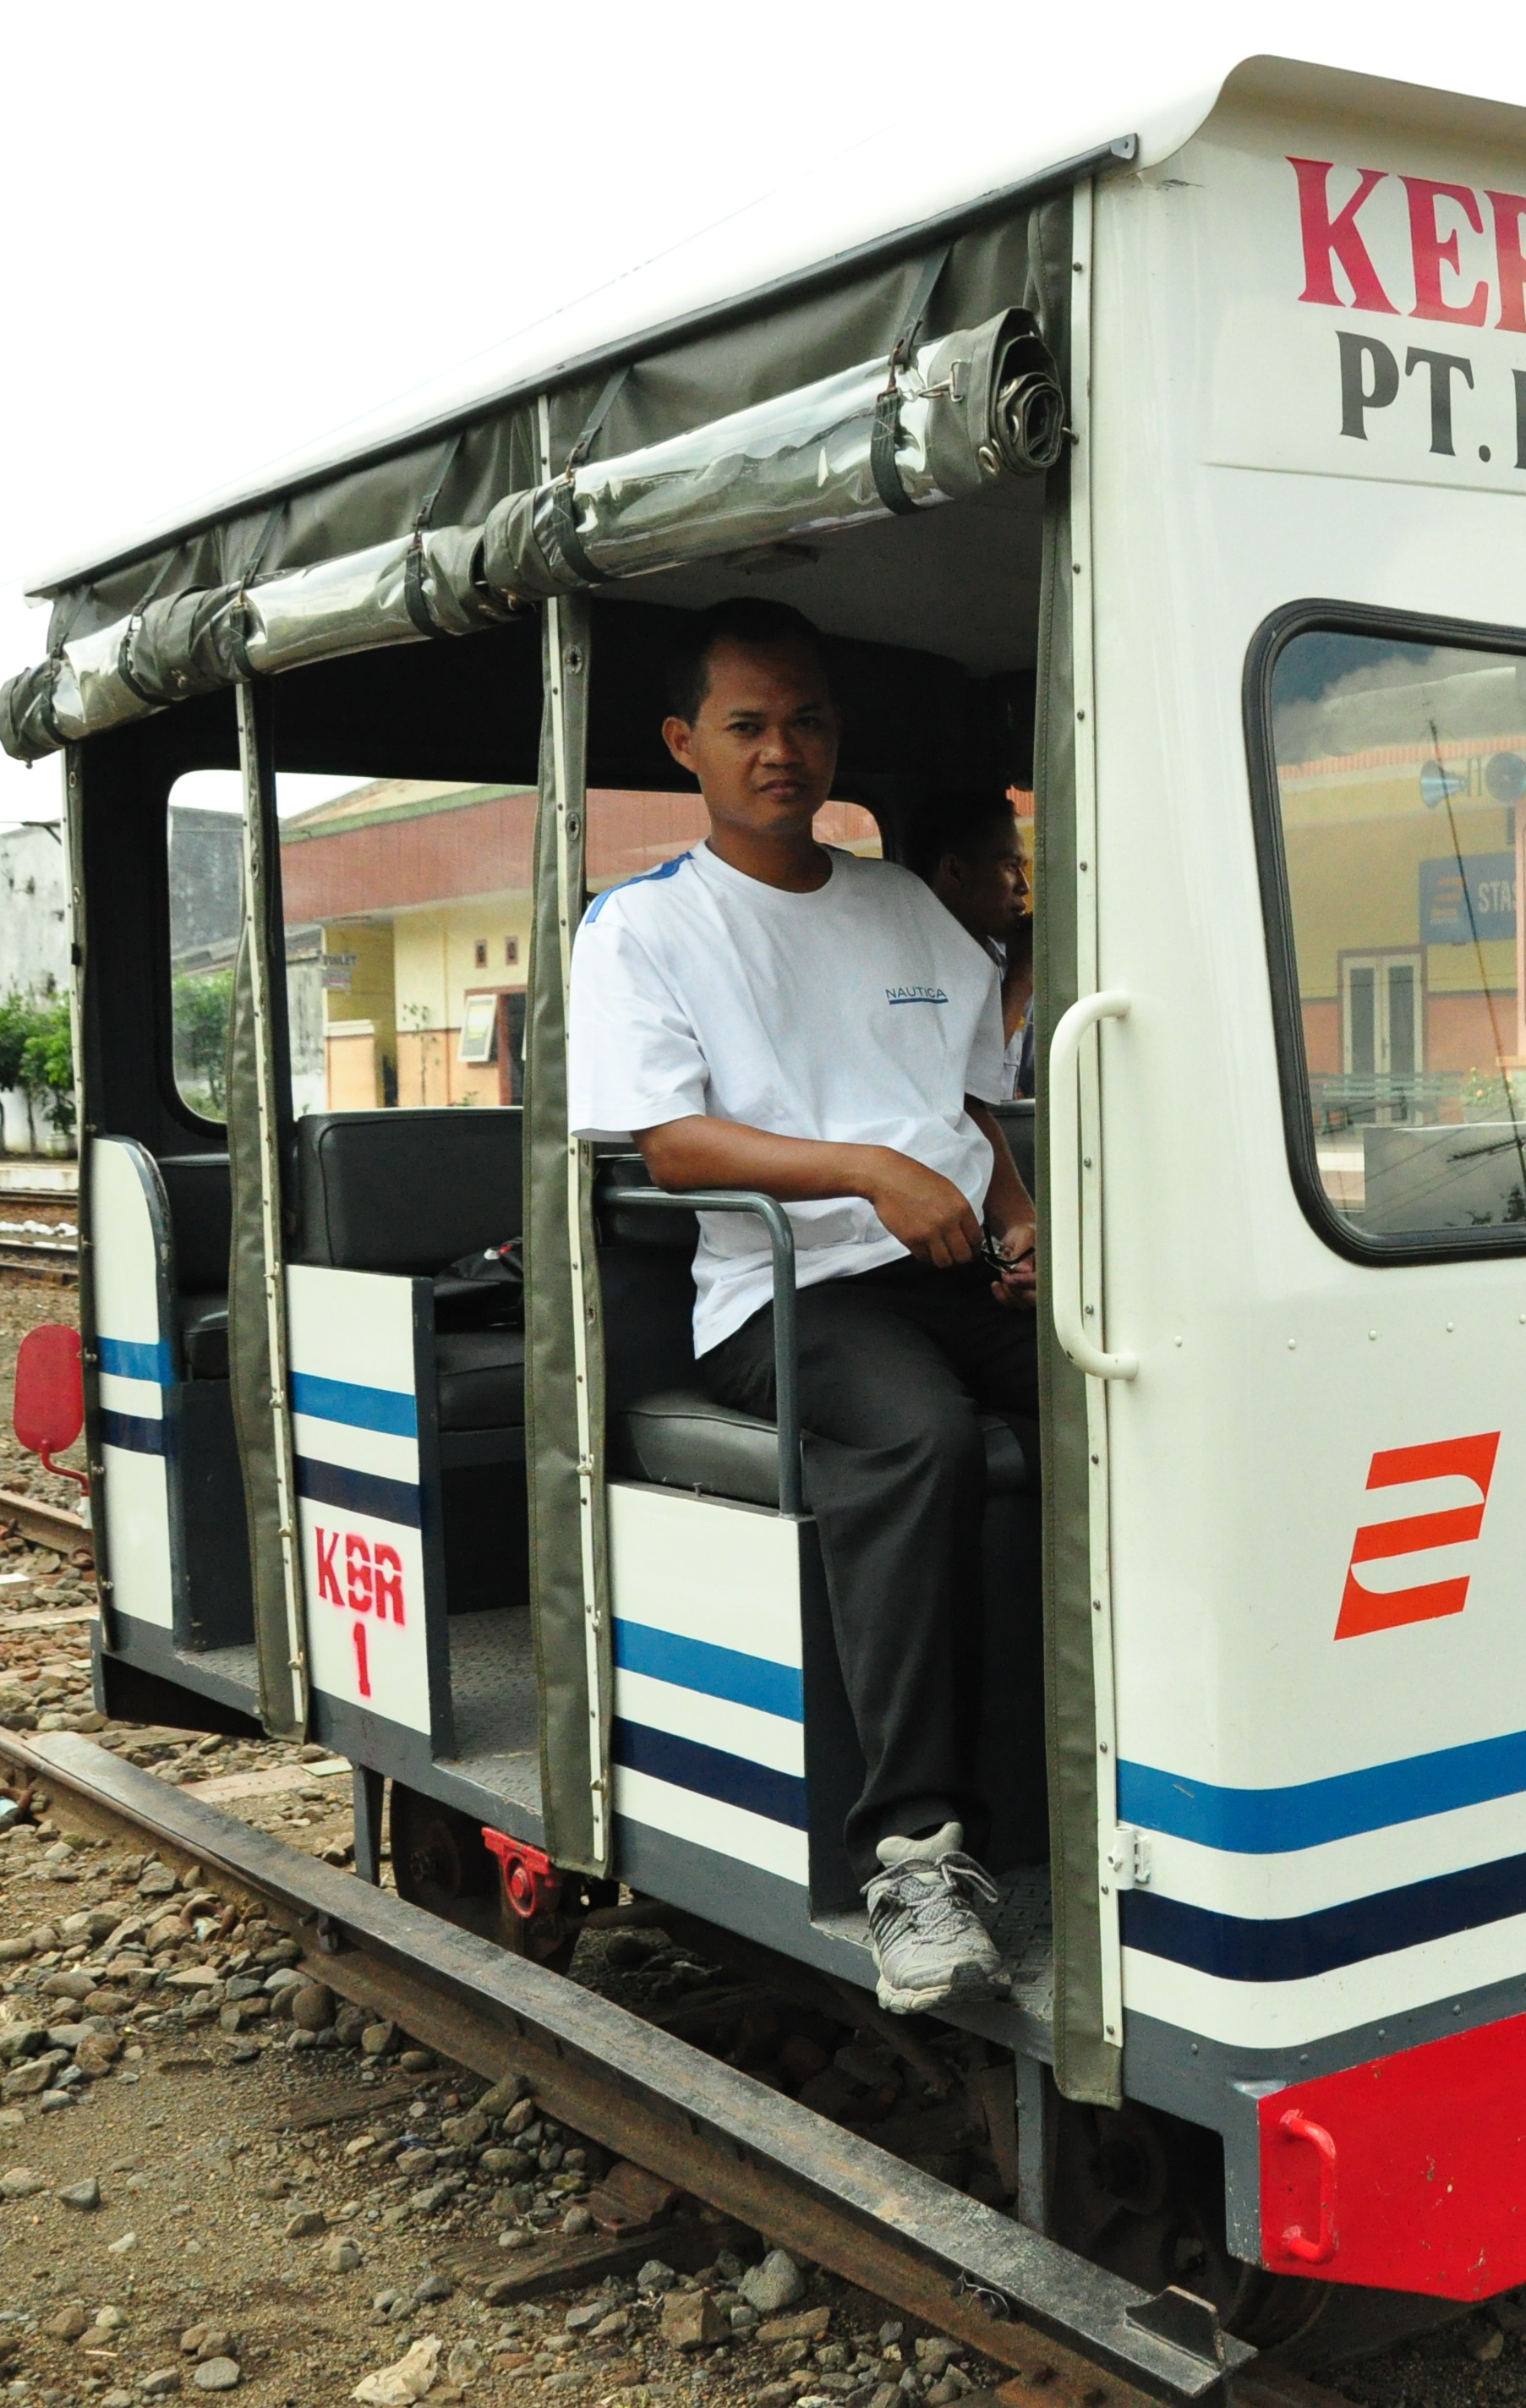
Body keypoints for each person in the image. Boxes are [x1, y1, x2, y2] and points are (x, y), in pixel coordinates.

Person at [568, 598, 1036, 2013]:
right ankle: (917, 1853)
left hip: (946, 1270)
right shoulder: (644, 927)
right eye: (749, 725)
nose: (785, 749)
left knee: (1135, 1386)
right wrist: (865, 1171)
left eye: (808, 721)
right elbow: (671, 1148)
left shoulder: (898, 903)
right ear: (683, 745)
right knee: (917, 1436)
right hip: (779, 1291)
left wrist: (1013, 1214)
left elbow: (968, 1103)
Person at [890, 788, 1034, 1099]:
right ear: (955, 870)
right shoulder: (903, 967)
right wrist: (1021, 981)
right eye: (1010, 866)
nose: (1024, 886)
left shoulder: (1010, 960)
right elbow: (952, 1095)